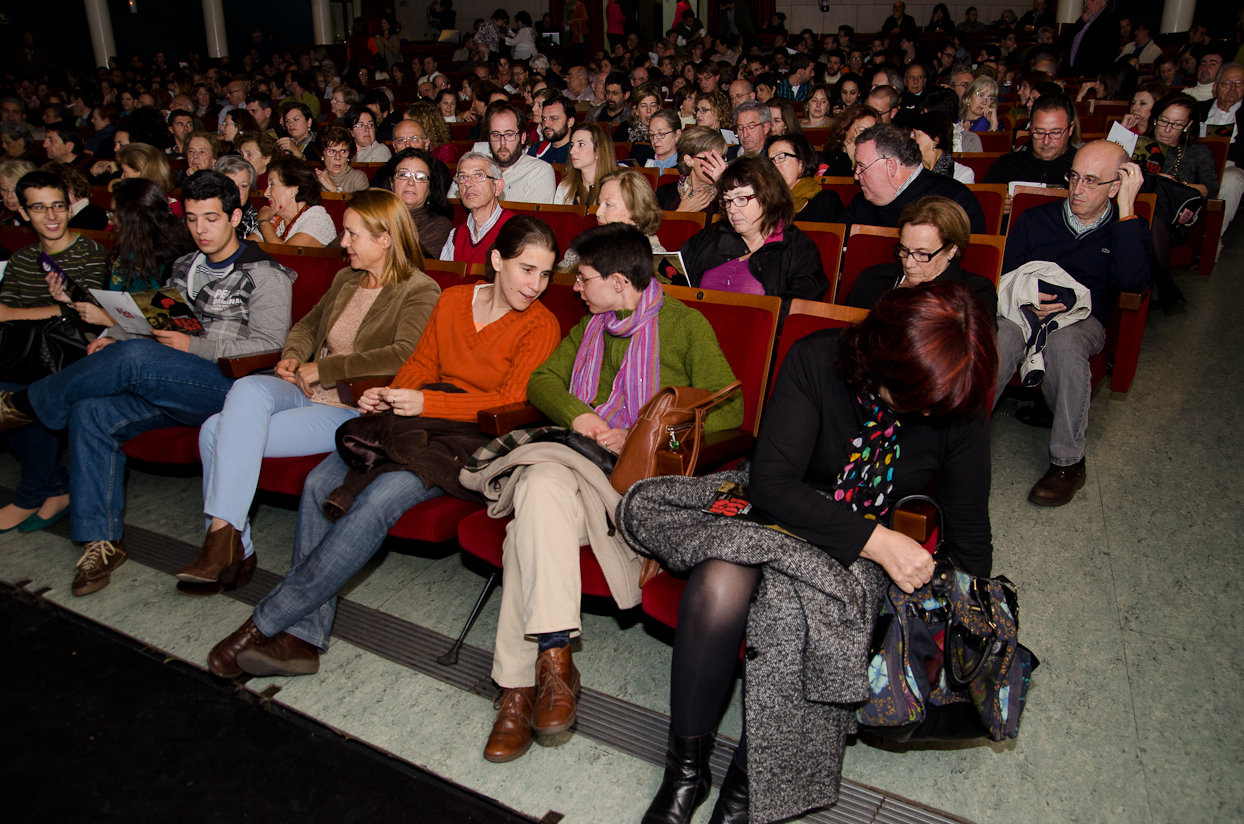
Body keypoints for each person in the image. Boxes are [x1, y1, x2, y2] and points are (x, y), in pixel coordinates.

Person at [632, 281, 996, 824]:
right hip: (792, 510)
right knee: (718, 580)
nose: (923, 415)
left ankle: (751, 784)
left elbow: (968, 532)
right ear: (882, 356)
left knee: (791, 613)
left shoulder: (953, 401)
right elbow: (774, 486)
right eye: (913, 399)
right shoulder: (819, 358)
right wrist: (881, 542)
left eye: (934, 407)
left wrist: (969, 616)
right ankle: (686, 770)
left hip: (857, 545)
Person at [207, 214, 562, 677]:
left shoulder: (540, 325)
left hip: (469, 443)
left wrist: (423, 400)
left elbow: (509, 401)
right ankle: (305, 637)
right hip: (411, 420)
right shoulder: (454, 300)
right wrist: (388, 396)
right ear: (496, 260)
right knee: (319, 482)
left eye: (546, 274)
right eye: (526, 269)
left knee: (375, 500)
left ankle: (262, 624)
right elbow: (419, 362)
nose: (536, 285)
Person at [476, 222, 742, 764]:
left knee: (527, 519)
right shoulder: (590, 327)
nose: (574, 288)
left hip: (635, 488)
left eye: (586, 279)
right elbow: (542, 382)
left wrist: (646, 430)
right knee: (542, 489)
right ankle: (553, 663)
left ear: (620, 283)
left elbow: (730, 411)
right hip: (578, 470)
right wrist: (587, 418)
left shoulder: (686, 327)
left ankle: (517, 688)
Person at [0, 171, 296, 595]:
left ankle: (22, 405)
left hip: (234, 389)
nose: (200, 230)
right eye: (192, 219)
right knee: (92, 410)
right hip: (172, 381)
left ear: (235, 216)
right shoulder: (183, 266)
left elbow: (269, 346)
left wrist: (193, 345)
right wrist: (111, 338)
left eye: (211, 219)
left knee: (136, 359)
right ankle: (100, 541)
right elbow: (154, 321)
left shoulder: (266, 272)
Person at [179, 189, 441, 594]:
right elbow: (304, 325)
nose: (343, 243)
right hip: (305, 386)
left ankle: (231, 548)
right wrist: (292, 356)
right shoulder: (345, 279)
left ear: (384, 239)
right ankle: (229, 540)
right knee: (247, 389)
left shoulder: (419, 289)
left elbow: (402, 355)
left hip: (351, 407)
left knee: (214, 431)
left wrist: (325, 369)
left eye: (353, 234)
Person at [993, 141, 1148, 506]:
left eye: (1092, 181)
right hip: (1024, 311)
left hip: (1084, 320)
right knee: (1001, 336)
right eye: (1074, 177)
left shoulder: (1125, 227)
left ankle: (1068, 463)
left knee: (1064, 343)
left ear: (1115, 186)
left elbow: (1131, 282)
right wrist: (1029, 298)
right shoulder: (1037, 219)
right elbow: (1005, 275)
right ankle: (958, 439)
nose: (1078, 189)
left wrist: (1126, 207)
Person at [0, 170, 108, 534]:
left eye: (58, 206)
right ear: (24, 213)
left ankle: (30, 494)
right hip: (24, 352)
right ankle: (58, 486)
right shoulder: (20, 259)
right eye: (40, 208)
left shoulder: (90, 251)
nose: (50, 216)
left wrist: (35, 310)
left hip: (73, 353)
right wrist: (42, 310)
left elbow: (83, 310)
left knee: (32, 390)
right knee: (7, 391)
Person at [680, 156, 827, 310]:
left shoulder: (799, 249)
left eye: (742, 198)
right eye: (728, 201)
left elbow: (796, 311)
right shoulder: (712, 235)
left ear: (768, 197)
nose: (732, 209)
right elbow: (672, 275)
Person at [846, 195, 996, 314]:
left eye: (922, 254)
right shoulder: (873, 277)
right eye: (904, 250)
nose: (909, 263)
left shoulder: (975, 293)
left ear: (951, 249)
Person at [1135, 93, 1216, 311]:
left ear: (1188, 125)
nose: (1167, 130)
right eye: (1163, 121)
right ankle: (1167, 286)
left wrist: (1174, 185)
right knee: (1149, 211)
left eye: (1177, 124)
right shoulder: (1139, 146)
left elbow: (1210, 189)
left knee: (1155, 214)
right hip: (1133, 212)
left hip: (1175, 220)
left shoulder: (1198, 152)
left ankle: (1163, 287)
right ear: (1155, 118)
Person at [842, 124, 987, 233]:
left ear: (890, 166)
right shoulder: (861, 204)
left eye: (862, 167)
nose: (856, 175)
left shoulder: (953, 199)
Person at [557, 169, 667, 271]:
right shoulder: (584, 248)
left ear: (636, 210)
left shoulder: (654, 257)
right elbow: (559, 282)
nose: (598, 212)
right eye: (599, 204)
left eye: (609, 205)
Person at [984, 94, 1080, 208]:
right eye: (1039, 132)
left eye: (1055, 133)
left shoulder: (1083, 168)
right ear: (1030, 128)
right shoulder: (1006, 165)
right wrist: (996, 206)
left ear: (1070, 129)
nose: (1046, 141)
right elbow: (983, 206)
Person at [370, 148, 455, 259]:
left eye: (420, 177)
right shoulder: (373, 215)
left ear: (430, 188)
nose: (410, 182)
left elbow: (417, 266)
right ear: (391, 183)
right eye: (403, 175)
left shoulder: (439, 225)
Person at [1197, 62, 1244, 259]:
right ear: (1215, 87)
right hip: (1198, 163)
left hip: (1231, 165)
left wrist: (1221, 149)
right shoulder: (1200, 109)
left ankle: (1212, 239)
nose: (1233, 88)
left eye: (1239, 83)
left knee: (1232, 181)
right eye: (1226, 83)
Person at [440, 152, 515, 265]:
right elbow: (445, 279)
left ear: (497, 187)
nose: (468, 183)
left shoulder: (516, 231)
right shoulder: (455, 236)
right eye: (463, 177)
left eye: (479, 175)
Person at [251, 157, 337, 248]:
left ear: (293, 188)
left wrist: (263, 222)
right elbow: (245, 251)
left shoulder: (318, 219)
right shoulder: (276, 220)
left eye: (272, 184)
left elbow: (285, 257)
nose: (266, 193)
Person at [765, 132, 843, 222]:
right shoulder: (765, 204)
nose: (773, 166)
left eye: (780, 157)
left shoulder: (826, 201)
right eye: (770, 161)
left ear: (801, 165)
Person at [655, 127, 727, 220]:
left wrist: (722, 184)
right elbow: (651, 231)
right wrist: (682, 211)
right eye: (709, 160)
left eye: (720, 159)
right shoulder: (665, 192)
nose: (717, 165)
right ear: (689, 160)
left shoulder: (726, 196)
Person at [554, 124, 619, 207]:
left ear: (598, 151)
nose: (572, 151)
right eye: (572, 145)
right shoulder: (565, 187)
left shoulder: (616, 188)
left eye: (581, 144)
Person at [1061, 0, 1121, 78]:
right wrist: (1081, 21)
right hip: (1071, 72)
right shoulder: (1084, 18)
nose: (1087, 2)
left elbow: (1108, 51)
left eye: (1092, 0)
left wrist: (1090, 73)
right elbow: (1064, 39)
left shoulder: (1109, 20)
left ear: (1103, 3)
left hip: (1089, 75)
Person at [910, 113, 975, 183]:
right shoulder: (909, 171)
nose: (910, 138)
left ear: (935, 139)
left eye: (916, 134)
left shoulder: (962, 175)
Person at [214, 155, 261, 242]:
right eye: (231, 185)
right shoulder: (209, 216)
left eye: (243, 186)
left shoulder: (257, 221)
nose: (238, 191)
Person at [822, 103, 878, 175]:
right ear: (845, 129)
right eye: (862, 131)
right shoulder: (831, 155)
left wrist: (855, 160)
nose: (867, 137)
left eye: (871, 132)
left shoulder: (875, 159)